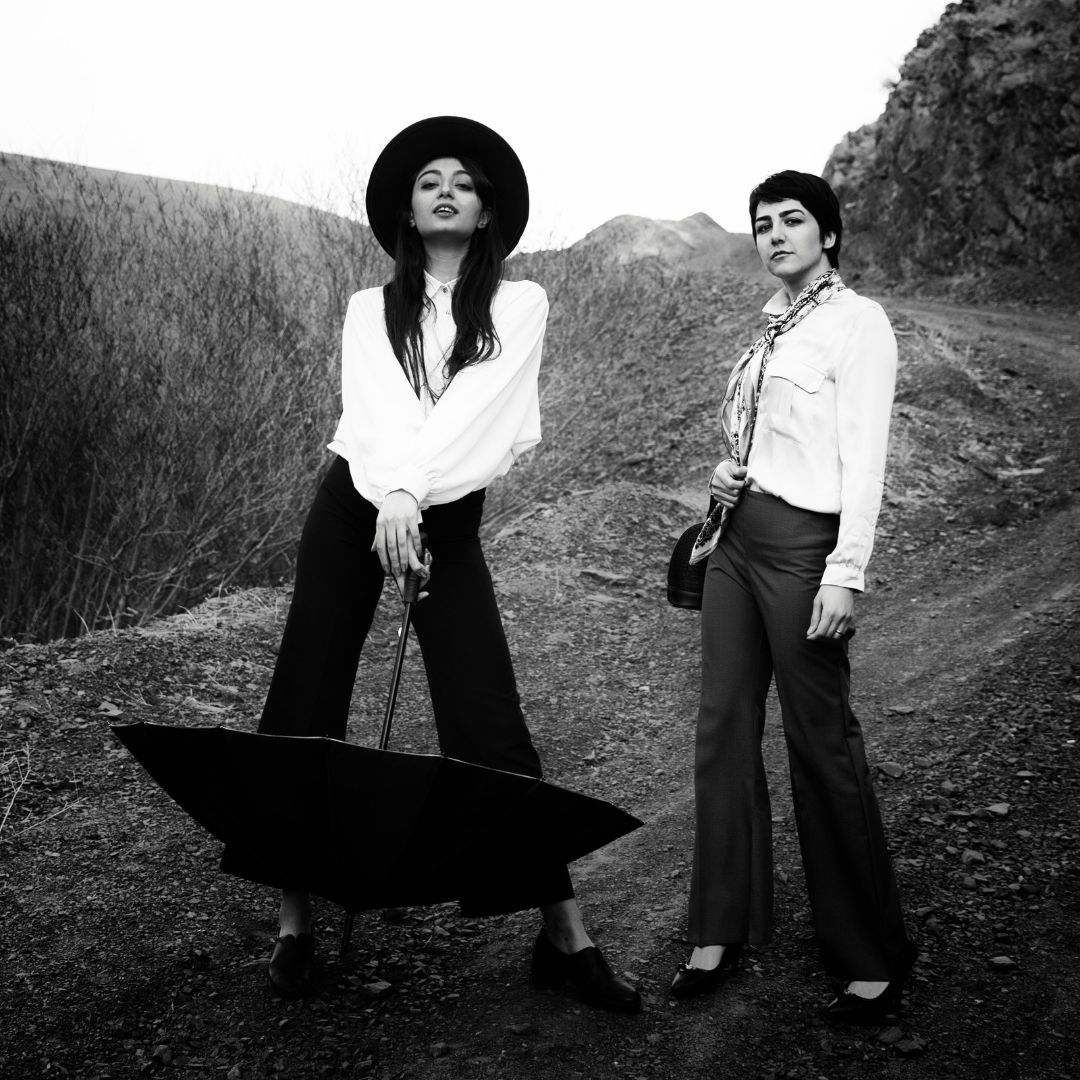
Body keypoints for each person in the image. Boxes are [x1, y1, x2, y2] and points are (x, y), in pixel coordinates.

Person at [221, 116, 640, 1014]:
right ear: (408, 216)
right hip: (352, 506)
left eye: (463, 181)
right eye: (427, 182)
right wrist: (389, 499)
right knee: (307, 697)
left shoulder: (521, 304)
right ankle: (293, 924)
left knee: (487, 713)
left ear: (487, 213)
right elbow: (377, 415)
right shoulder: (368, 309)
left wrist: (411, 501)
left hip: (442, 512)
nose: (445, 189)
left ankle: (564, 934)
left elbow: (472, 418)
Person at [670, 170, 915, 1023]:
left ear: (830, 234)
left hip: (808, 550)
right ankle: (718, 931)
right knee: (721, 728)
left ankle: (870, 953)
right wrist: (725, 470)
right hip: (736, 541)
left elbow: (865, 459)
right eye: (762, 223)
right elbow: (761, 435)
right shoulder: (770, 328)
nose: (774, 234)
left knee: (820, 741)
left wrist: (846, 572)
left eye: (793, 220)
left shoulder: (859, 325)